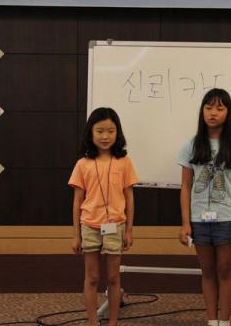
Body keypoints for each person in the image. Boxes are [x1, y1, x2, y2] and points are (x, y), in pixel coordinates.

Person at [178, 88, 231, 326]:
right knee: (207, 271)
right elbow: (185, 187)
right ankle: (212, 320)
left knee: (225, 270)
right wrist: (185, 223)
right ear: (202, 111)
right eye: (209, 107)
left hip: (227, 219)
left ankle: (224, 321)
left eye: (219, 108)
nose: (213, 113)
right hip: (198, 220)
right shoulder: (191, 145)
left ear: (228, 113)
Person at [69, 107, 139, 326]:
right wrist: (76, 235)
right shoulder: (82, 164)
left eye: (110, 131)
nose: (105, 136)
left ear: (118, 132)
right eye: (100, 131)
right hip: (89, 226)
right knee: (92, 277)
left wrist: (129, 230)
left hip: (116, 226)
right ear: (90, 133)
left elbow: (129, 198)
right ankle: (92, 321)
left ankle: (113, 322)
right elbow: (77, 202)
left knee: (113, 277)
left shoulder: (124, 162)